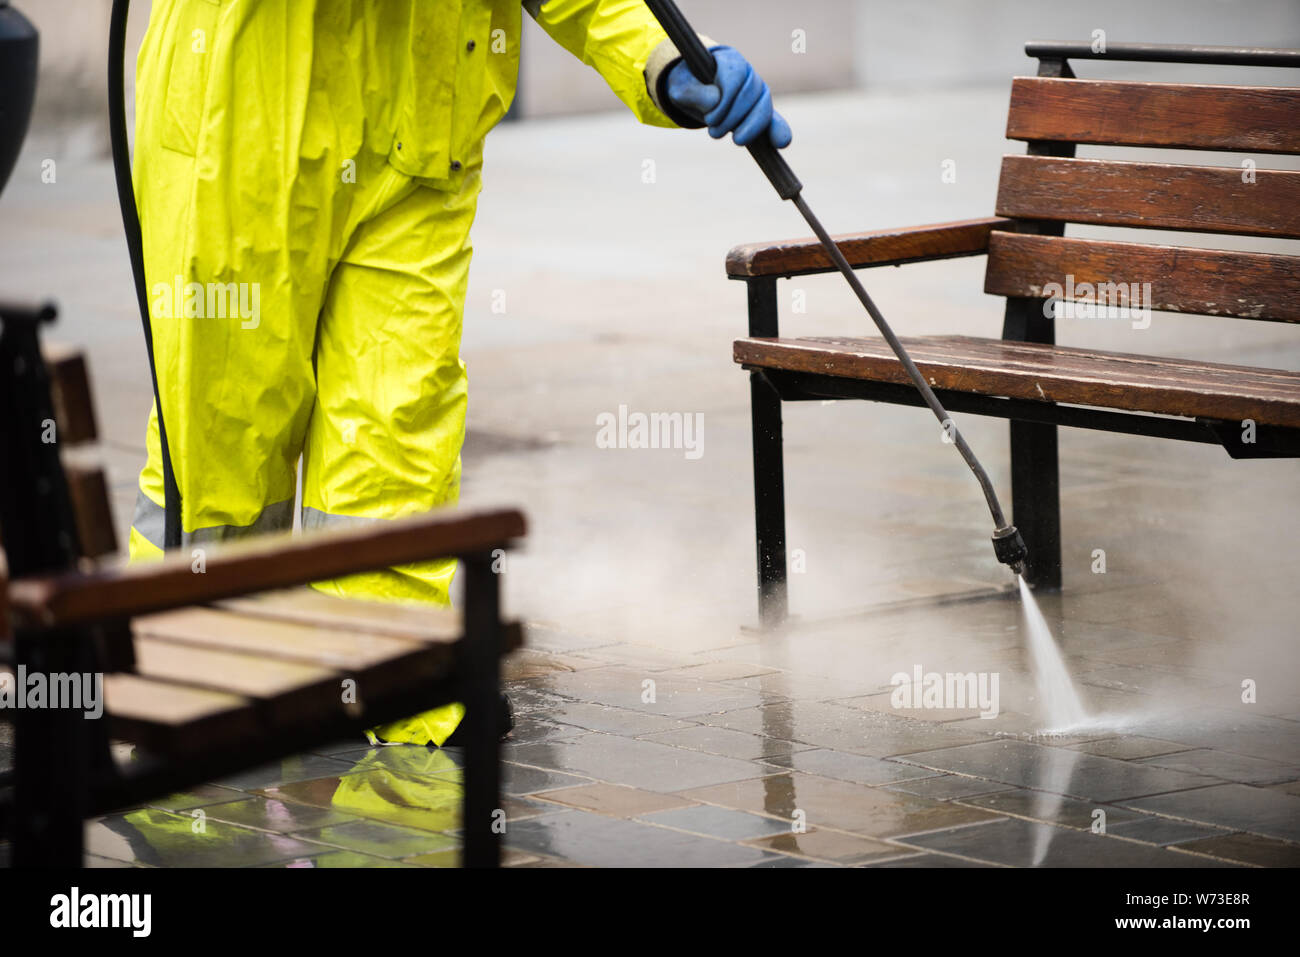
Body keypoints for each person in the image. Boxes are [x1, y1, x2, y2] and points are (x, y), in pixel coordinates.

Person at [128, 0, 791, 747]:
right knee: (226, 438)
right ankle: (192, 688)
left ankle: (384, 682)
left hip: (421, 134)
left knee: (394, 433)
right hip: (242, 127)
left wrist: (662, 60)